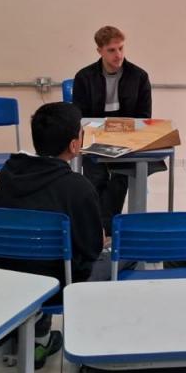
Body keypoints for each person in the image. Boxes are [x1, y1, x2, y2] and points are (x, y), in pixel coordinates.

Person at [0, 102, 106, 369]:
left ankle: (31, 332)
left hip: (7, 276)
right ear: (75, 146)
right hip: (53, 286)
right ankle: (76, 340)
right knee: (116, 259)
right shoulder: (78, 187)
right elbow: (91, 250)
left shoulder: (9, 172)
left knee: (38, 253)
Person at [71, 25, 153, 233]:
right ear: (99, 51)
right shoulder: (84, 77)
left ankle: (103, 229)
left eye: (121, 48)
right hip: (94, 137)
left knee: (120, 177)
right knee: (95, 177)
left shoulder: (139, 76)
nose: (118, 55)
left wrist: (124, 135)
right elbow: (79, 115)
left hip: (126, 139)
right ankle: (99, 228)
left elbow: (144, 117)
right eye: (111, 50)